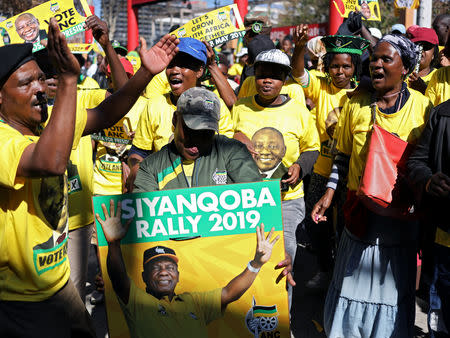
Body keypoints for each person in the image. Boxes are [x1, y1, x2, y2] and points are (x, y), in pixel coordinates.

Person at [0, 17, 179, 336]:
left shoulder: (47, 125)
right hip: (19, 300)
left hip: (58, 284)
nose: (41, 88)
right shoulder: (3, 141)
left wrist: (146, 72)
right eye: (27, 83)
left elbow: (108, 112)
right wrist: (69, 80)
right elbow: (51, 162)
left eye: (43, 78)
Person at [311, 34, 432, 337]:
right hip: (358, 217)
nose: (376, 64)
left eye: (386, 59)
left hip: (401, 222)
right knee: (349, 291)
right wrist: (329, 193)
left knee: (393, 294)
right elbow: (343, 156)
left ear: (405, 68)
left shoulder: (423, 108)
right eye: (374, 59)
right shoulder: (356, 106)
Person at [96, 198, 279, 338]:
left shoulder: (194, 302)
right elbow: (118, 278)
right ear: (144, 277)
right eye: (156, 267)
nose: (164, 272)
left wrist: (256, 263)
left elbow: (228, 293)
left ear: (177, 274)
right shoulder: (136, 302)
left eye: (170, 267)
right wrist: (113, 244)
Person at [232, 49, 320, 308]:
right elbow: (221, 142)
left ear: (285, 79)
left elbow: (312, 148)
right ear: (254, 77)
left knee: (283, 259)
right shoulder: (240, 107)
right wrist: (235, 140)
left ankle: (282, 318)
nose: (267, 81)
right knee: (246, 259)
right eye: (261, 75)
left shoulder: (298, 110)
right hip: (245, 198)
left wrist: (299, 167)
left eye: (274, 76)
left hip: (286, 200)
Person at [292, 26, 369, 289]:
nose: (340, 72)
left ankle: (345, 277)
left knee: (348, 227)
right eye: (334, 66)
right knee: (317, 226)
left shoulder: (363, 94)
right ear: (327, 67)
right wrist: (300, 47)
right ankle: (325, 271)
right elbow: (298, 73)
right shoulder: (320, 86)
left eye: (346, 67)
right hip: (322, 171)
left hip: (349, 175)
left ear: (354, 67)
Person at [126, 38, 234, 192]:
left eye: (184, 65)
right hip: (165, 200)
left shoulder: (217, 106)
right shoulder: (154, 106)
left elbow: (229, 155)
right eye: (171, 64)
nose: (175, 70)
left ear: (199, 71)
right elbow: (138, 152)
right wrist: (137, 167)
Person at [407, 98, 450, 337]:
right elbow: (417, 162)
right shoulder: (442, 114)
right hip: (445, 236)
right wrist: (428, 180)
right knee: (441, 312)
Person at [407, 26, 440, 94]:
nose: (420, 50)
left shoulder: (439, 77)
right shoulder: (401, 73)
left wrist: (424, 90)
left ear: (434, 54)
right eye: (417, 46)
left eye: (426, 47)